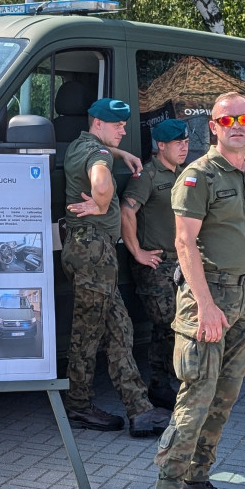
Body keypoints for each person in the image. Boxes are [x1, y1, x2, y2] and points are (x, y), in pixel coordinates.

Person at [150, 92, 245, 489]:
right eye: (227, 118)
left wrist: (239, 301)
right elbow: (184, 243)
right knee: (195, 397)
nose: (236, 124)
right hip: (208, 299)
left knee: (225, 396)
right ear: (214, 127)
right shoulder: (198, 176)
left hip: (244, 298)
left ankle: (197, 481)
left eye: (244, 117)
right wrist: (206, 305)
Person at [61, 98, 172, 437]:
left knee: (120, 330)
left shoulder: (78, 145)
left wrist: (120, 154)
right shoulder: (99, 155)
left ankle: (140, 410)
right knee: (87, 335)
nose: (124, 130)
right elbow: (101, 179)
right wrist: (101, 200)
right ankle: (79, 406)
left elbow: (98, 154)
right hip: (94, 252)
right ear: (98, 123)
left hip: (87, 251)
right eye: (117, 125)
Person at [120, 118, 191, 410]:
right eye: (178, 143)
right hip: (156, 264)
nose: (184, 148)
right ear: (161, 145)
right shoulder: (146, 176)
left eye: (186, 142)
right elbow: (127, 212)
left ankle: (174, 380)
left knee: (181, 324)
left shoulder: (186, 173)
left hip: (182, 261)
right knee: (166, 325)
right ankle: (160, 385)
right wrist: (137, 251)